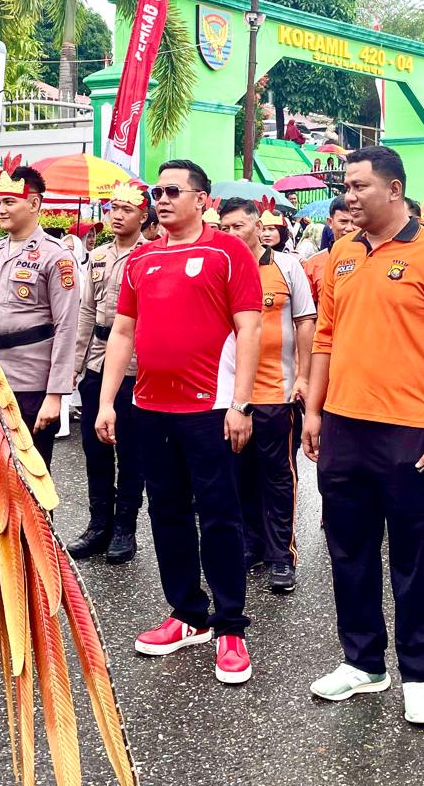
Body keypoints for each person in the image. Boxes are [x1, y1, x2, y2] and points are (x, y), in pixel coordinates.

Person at [301, 145, 424, 725]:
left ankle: (418, 672)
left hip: (408, 429)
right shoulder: (341, 255)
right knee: (347, 547)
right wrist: (315, 412)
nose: (348, 197)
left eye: (358, 187)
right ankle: (363, 662)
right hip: (344, 425)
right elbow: (325, 338)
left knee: (411, 554)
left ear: (394, 190)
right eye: (345, 187)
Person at [95, 158, 262, 685]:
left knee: (218, 516)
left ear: (202, 199)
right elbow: (122, 334)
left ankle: (230, 624)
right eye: (155, 190)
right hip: (149, 408)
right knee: (165, 513)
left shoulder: (228, 251)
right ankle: (187, 614)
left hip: (210, 410)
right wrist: (106, 403)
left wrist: (241, 405)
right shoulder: (141, 260)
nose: (161, 199)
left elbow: (250, 331)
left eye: (172, 190)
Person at [219, 198, 316, 594]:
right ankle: (250, 547)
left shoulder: (287, 266)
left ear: (259, 227)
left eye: (237, 226)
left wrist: (305, 377)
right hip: (228, 395)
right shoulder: (218, 267)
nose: (230, 234)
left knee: (277, 476)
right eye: (224, 227)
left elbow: (305, 322)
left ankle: (281, 556)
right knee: (237, 474)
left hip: (276, 390)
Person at [0, 156, 79, 467]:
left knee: (30, 479)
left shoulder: (56, 257)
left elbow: (67, 326)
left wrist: (56, 395)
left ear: (33, 204)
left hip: (31, 384)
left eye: (8, 202)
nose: (0, 209)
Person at [70, 182, 149, 565]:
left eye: (126, 209)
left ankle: (124, 528)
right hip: (97, 360)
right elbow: (86, 311)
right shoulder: (97, 255)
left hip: (134, 365)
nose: (117, 215)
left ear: (143, 216)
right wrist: (75, 364)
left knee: (132, 451)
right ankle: (98, 524)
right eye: (112, 208)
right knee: (93, 447)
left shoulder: (150, 255)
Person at [303, 196, 355, 300]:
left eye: (354, 222)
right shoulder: (313, 264)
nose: (349, 228)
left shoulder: (372, 259)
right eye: (343, 222)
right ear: (330, 222)